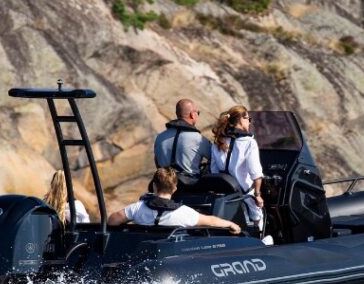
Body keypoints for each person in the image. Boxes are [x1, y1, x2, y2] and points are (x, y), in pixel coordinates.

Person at [107, 167, 242, 234]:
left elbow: (113, 219)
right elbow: (212, 221)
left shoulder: (137, 208)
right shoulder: (185, 213)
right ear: (174, 188)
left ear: (153, 186)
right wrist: (231, 224)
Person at [210, 105, 265, 231]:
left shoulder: (218, 142)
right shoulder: (249, 142)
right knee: (259, 218)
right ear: (240, 120)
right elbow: (256, 174)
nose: (249, 122)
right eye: (248, 119)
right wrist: (257, 195)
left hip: (224, 193)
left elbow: (214, 171)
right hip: (244, 195)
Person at [153, 98, 211, 176]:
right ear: (192, 115)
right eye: (198, 113)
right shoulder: (198, 139)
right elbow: (215, 158)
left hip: (165, 185)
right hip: (190, 185)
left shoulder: (160, 137)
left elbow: (157, 162)